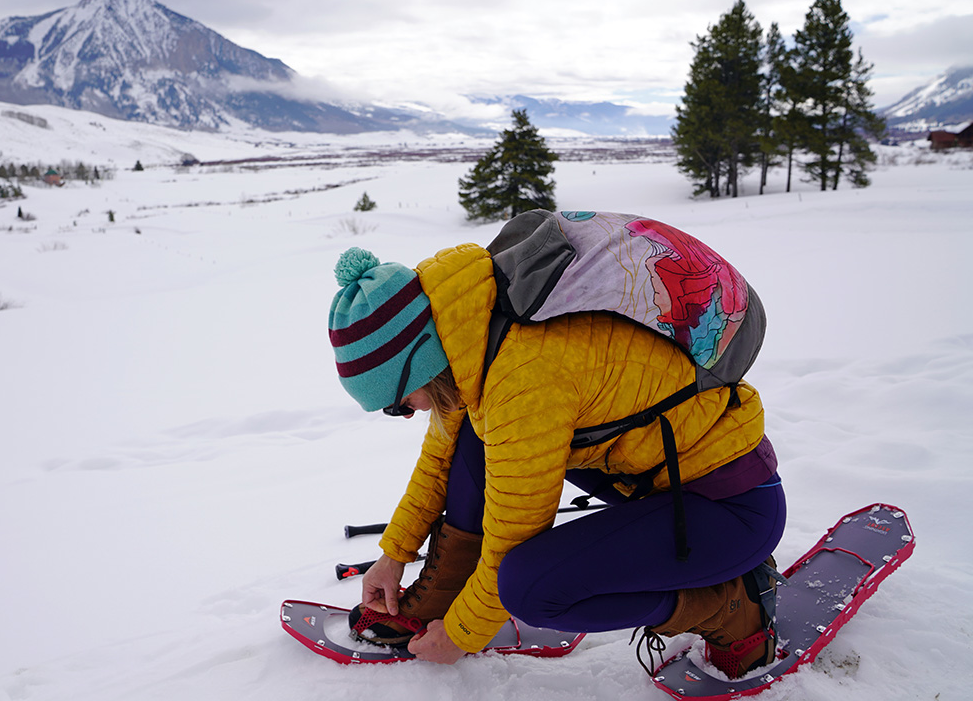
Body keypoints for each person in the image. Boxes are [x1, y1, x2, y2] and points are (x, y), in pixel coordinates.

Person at [327, 241, 785, 677]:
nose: (406, 413)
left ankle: (730, 606)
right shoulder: (477, 330)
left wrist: (463, 633)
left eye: (397, 402)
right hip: (658, 477)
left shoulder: (524, 378)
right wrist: (394, 553)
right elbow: (440, 457)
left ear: (419, 364)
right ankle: (447, 586)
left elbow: (512, 536)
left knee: (530, 587)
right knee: (470, 431)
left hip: (731, 507)